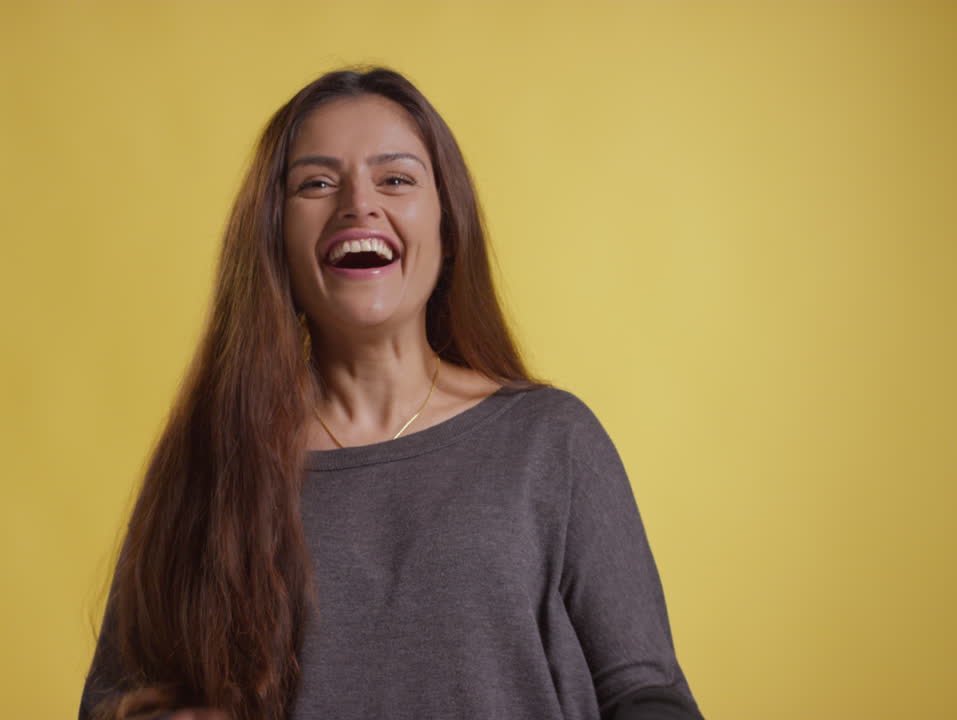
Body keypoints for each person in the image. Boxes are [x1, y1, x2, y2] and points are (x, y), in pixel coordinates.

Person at [78, 66, 703, 720]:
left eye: (395, 179)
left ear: (447, 225)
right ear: (274, 237)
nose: (358, 204)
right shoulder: (212, 461)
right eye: (317, 183)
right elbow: (116, 703)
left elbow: (648, 696)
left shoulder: (552, 442)